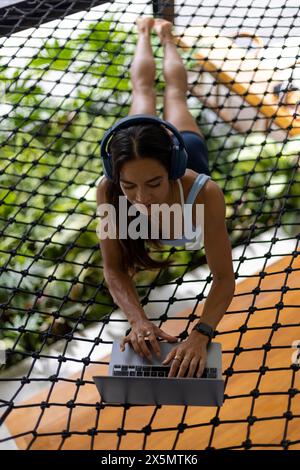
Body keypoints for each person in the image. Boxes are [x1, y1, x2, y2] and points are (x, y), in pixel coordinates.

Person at [96, 17, 235, 378]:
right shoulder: (107, 191)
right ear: (116, 177)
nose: (141, 197)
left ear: (172, 167)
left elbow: (223, 277)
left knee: (175, 95)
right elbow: (113, 267)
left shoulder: (204, 193)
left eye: (154, 183)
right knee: (141, 92)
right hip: (142, 153)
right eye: (129, 186)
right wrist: (138, 320)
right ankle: (144, 31)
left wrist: (201, 334)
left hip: (188, 144)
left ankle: (165, 35)